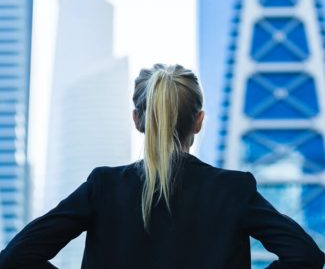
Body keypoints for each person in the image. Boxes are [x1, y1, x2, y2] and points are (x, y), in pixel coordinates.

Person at [0, 63, 324, 269]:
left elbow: (16, 258)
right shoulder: (232, 190)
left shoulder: (103, 188)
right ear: (198, 122)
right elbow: (306, 256)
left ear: (137, 120)